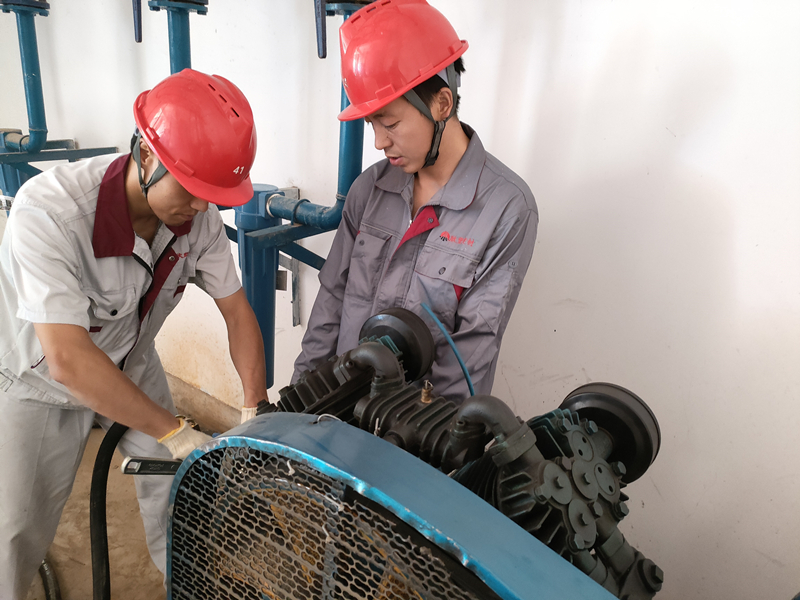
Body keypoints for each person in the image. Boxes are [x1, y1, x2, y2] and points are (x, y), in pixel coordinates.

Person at [0, 69, 269, 598]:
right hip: (39, 382)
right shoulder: (50, 214)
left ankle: (189, 588)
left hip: (132, 361)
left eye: (212, 195)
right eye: (192, 189)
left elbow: (238, 313)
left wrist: (252, 410)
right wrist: (173, 431)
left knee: (180, 491)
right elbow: (69, 359)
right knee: (15, 528)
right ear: (146, 154)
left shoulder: (199, 219)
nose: (201, 207)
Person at [293, 0, 538, 403]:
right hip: (336, 411)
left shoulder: (506, 210)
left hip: (415, 428)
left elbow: (469, 356)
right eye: (372, 124)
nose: (379, 142)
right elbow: (330, 304)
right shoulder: (369, 189)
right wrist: (298, 404)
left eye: (390, 123)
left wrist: (412, 435)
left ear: (442, 104)